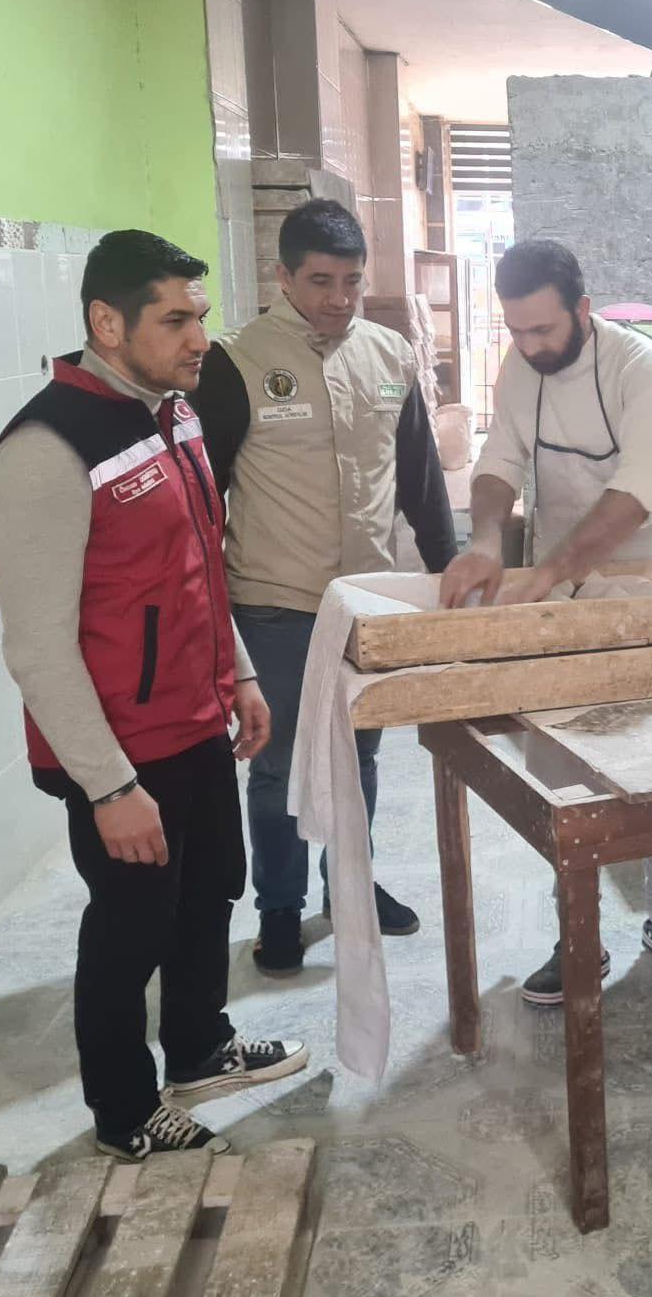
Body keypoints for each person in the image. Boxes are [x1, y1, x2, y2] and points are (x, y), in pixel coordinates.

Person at [0, 230, 308, 1160]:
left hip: (197, 717)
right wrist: (110, 786)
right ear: (107, 323)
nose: (199, 338)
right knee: (130, 928)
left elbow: (199, 566)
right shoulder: (46, 448)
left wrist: (241, 674)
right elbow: (37, 649)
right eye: (174, 320)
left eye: (200, 316)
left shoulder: (177, 415)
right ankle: (124, 1110)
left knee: (210, 892)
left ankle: (200, 1048)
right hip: (123, 746)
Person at [438, 239, 652, 1005]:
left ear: (583, 310)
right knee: (561, 768)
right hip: (559, 592)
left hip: (644, 584)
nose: (529, 346)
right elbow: (499, 461)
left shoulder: (640, 368)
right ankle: (577, 934)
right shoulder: (522, 366)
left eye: (543, 330)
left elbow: (638, 491)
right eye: (516, 331)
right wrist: (484, 542)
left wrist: (551, 569)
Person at [193, 199, 456, 975]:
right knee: (278, 763)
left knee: (360, 754)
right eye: (320, 281)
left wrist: (446, 572)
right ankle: (279, 907)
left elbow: (420, 476)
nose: (339, 299)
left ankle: (350, 889)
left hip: (368, 600)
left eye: (351, 281)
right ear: (283, 276)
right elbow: (204, 497)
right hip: (275, 603)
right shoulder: (236, 361)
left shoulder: (389, 354)